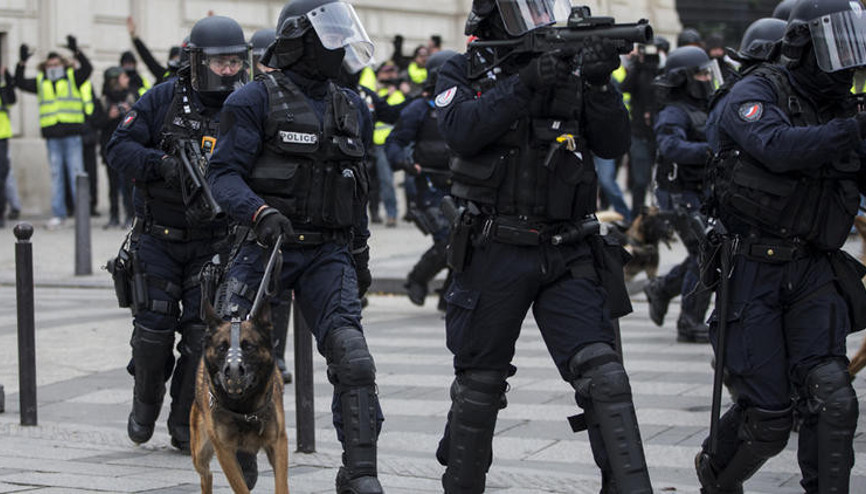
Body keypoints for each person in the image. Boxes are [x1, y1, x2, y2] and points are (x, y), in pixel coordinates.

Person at [433, 0, 652, 492]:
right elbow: (460, 131)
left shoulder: (572, 71)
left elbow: (614, 143)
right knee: (480, 384)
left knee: (605, 379)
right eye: (521, 11)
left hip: (568, 248)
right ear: (490, 19)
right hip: (496, 248)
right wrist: (523, 83)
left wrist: (598, 84)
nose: (537, 19)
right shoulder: (465, 68)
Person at [206, 1, 384, 492]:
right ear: (299, 40)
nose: (340, 44)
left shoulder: (352, 104)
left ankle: (360, 473)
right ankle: (241, 444)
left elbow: (359, 188)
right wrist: (258, 212)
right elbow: (222, 175)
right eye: (330, 33)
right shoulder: (252, 101)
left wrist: (361, 254)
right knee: (234, 354)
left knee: (354, 359)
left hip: (328, 250)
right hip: (264, 242)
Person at [696, 0, 866, 491]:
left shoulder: (842, 105)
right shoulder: (757, 89)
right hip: (753, 267)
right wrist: (853, 131)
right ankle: (716, 477)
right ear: (802, 44)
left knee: (834, 398)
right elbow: (777, 146)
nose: (848, 60)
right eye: (838, 44)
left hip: (814, 267)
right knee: (769, 417)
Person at [105, 15, 248, 457]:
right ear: (196, 61)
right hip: (158, 238)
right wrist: (160, 166)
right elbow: (118, 148)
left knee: (201, 338)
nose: (228, 71)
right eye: (219, 63)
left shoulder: (246, 104)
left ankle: (184, 422)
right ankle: (144, 405)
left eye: (234, 62)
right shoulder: (163, 98)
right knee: (152, 332)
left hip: (213, 241)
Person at [642, 46, 717, 343]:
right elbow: (671, 147)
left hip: (700, 192)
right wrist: (711, 152)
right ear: (684, 78)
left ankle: (661, 288)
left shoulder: (706, 106)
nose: (707, 77)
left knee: (708, 251)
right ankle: (689, 321)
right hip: (679, 195)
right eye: (701, 73)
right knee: (704, 253)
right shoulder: (673, 112)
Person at [385, 49, 457, 307]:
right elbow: (395, 141)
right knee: (447, 240)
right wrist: (403, 162)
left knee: (467, 240)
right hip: (429, 187)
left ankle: (449, 295)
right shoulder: (419, 108)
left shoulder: (464, 105)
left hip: (460, 185)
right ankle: (417, 279)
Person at [15, 36, 92, 229]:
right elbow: (20, 82)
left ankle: (81, 215)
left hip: (72, 134)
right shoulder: (42, 81)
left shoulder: (73, 77)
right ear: (45, 67)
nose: (53, 68)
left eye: (56, 64)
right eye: (50, 65)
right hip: (53, 137)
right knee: (57, 175)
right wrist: (22, 62)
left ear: (63, 65)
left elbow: (88, 69)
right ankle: (59, 214)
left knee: (77, 173)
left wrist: (77, 51)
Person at [621, 40, 662, 219]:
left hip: (657, 134)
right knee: (640, 180)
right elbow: (625, 87)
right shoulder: (638, 71)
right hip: (638, 132)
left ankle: (657, 216)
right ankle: (635, 217)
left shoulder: (661, 72)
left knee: (659, 181)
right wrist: (637, 65)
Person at [94, 67, 137, 228]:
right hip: (109, 148)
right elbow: (95, 122)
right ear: (114, 80)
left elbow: (141, 120)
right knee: (113, 185)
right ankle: (113, 216)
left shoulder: (132, 96)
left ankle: (129, 215)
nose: (127, 80)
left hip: (127, 148)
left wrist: (130, 112)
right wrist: (108, 116)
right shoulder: (104, 100)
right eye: (123, 77)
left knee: (128, 185)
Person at [372, 61, 407, 227]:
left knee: (387, 180)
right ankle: (375, 212)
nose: (390, 74)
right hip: (373, 143)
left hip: (388, 144)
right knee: (374, 182)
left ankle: (391, 214)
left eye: (392, 71)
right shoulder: (374, 92)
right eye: (386, 71)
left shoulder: (398, 94)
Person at [127, 17, 182, 85]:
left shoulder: (188, 79)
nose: (177, 61)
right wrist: (134, 37)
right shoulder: (164, 75)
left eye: (179, 59)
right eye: (174, 59)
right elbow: (148, 58)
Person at [0, 63, 16, 228]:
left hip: (1, 136)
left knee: (1, 176)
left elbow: (11, 99)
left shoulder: (3, 84)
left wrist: (7, 78)